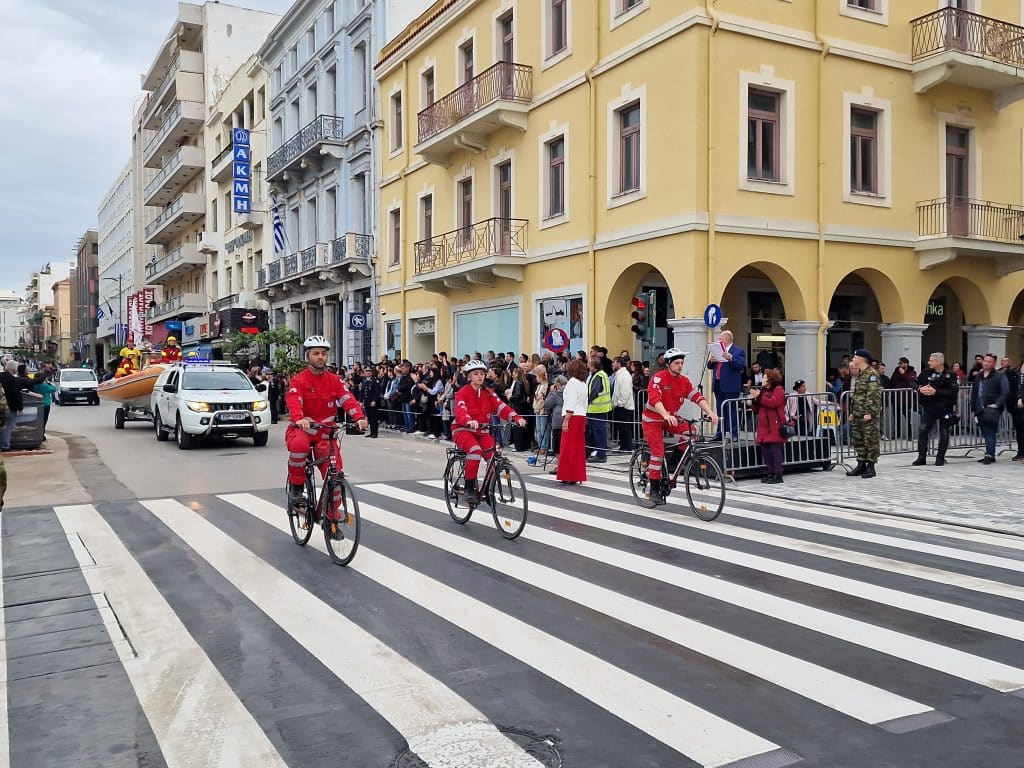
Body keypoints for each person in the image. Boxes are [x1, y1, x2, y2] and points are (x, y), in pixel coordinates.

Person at [285, 336, 368, 514]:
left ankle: (332, 515)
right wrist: (299, 417)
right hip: (304, 429)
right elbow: (294, 400)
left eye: (324, 353)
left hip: (326, 433)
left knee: (336, 474)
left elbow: (347, 400)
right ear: (308, 356)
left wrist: (359, 417)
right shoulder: (299, 380)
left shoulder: (334, 380)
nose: (321, 357)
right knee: (299, 447)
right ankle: (296, 488)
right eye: (316, 353)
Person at [643, 348, 719, 505]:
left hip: (671, 418)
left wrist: (711, 413)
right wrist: (665, 414)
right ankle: (654, 489)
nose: (680, 366)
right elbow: (655, 399)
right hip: (653, 419)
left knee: (692, 431)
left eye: (682, 363)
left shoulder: (683, 381)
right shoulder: (658, 378)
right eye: (677, 363)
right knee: (657, 453)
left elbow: (697, 397)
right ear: (669, 364)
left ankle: (673, 463)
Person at [452, 360, 526, 503]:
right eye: (476, 374)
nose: (480, 376)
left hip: (483, 431)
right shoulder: (462, 393)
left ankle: (487, 489)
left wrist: (516, 418)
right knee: (474, 451)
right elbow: (460, 410)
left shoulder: (488, 393)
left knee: (494, 457)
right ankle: (468, 488)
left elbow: (501, 407)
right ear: (469, 377)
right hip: (463, 430)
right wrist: (468, 420)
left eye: (482, 374)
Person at [912, 352, 958, 467]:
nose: (929, 362)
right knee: (923, 430)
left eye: (932, 360)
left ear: (939, 362)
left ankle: (940, 457)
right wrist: (919, 388)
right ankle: (921, 457)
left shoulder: (950, 374)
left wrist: (936, 391)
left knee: (944, 432)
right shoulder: (926, 372)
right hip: (929, 407)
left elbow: (953, 391)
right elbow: (912, 382)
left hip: (944, 407)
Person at [846, 349, 883, 479]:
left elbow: (873, 395)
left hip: (867, 415)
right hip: (858, 413)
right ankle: (861, 463)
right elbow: (857, 395)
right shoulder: (861, 374)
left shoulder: (872, 374)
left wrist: (870, 412)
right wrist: (852, 412)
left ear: (862, 358)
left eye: (855, 357)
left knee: (870, 440)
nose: (853, 359)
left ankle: (871, 466)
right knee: (859, 440)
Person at [751, 368, 787, 483]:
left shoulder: (778, 389)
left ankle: (778, 473)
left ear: (770, 380)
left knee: (776, 449)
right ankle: (770, 471)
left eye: (764, 377)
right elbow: (756, 409)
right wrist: (755, 399)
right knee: (765, 450)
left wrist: (759, 397)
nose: (762, 379)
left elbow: (774, 402)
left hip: (774, 424)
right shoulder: (762, 391)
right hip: (763, 425)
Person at [708, 330, 746, 440]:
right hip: (718, 384)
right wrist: (711, 360)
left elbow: (741, 366)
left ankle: (734, 434)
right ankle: (720, 433)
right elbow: (710, 366)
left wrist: (731, 358)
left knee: (732, 410)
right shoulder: (717, 351)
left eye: (720, 339)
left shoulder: (738, 351)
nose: (719, 341)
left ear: (727, 339)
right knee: (720, 410)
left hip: (730, 386)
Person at [971, 353, 1008, 465]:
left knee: (990, 431)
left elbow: (1005, 391)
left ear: (994, 363)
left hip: (992, 408)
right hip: (979, 407)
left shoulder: (1000, 375)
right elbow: (975, 392)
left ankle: (990, 455)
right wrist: (973, 409)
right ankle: (989, 453)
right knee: (985, 432)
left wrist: (997, 404)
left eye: (989, 361)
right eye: (985, 361)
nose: (986, 363)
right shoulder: (979, 375)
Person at [557, 359, 590, 484]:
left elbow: (570, 401)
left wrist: (566, 419)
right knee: (577, 447)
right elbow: (584, 402)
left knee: (567, 446)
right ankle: (576, 474)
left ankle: (568, 475)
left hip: (572, 415)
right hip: (581, 415)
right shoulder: (583, 384)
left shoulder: (572, 382)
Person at [585, 356, 612, 463]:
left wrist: (585, 401)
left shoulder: (598, 376)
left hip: (597, 408)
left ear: (593, 366)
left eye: (589, 364)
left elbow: (594, 392)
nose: (587, 366)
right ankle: (597, 453)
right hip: (598, 408)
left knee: (598, 432)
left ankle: (600, 454)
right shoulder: (601, 374)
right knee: (598, 432)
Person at [0, 361, 30, 452]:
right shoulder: (14, 380)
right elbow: (16, 395)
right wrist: (19, 407)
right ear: (14, 369)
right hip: (8, 407)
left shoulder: (1, 377)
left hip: (4, 405)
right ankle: (5, 446)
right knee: (7, 426)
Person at [611, 356, 635, 452]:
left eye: (614, 362)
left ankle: (627, 447)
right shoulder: (620, 374)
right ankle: (623, 446)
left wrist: (620, 403)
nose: (613, 364)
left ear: (619, 363)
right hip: (620, 405)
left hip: (624, 406)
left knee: (625, 428)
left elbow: (625, 392)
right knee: (622, 428)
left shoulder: (624, 375)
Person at [32, 372, 57, 439]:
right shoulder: (45, 386)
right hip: (45, 404)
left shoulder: (33, 385)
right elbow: (54, 388)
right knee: (44, 420)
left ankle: (37, 433)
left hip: (36, 404)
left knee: (37, 420)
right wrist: (48, 382)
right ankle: (42, 433)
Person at [360, 366, 381, 438]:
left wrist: (374, 400)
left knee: (374, 418)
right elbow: (362, 392)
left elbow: (377, 392)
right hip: (366, 402)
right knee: (369, 418)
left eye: (369, 371)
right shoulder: (364, 380)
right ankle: (371, 432)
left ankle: (375, 433)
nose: (368, 372)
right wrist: (361, 401)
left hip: (372, 402)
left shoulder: (375, 380)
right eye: (366, 371)